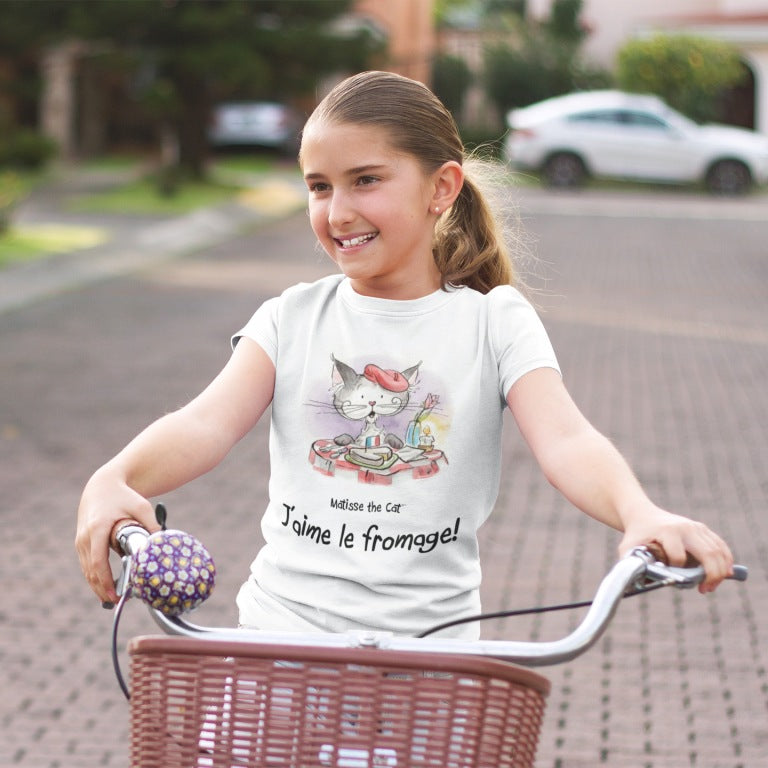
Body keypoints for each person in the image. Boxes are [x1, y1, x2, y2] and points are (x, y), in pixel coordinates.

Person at [76, 71, 733, 638]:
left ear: (441, 188)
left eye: (365, 180)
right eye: (319, 186)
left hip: (432, 656)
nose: (338, 210)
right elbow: (203, 424)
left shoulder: (494, 321)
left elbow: (567, 440)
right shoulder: (291, 317)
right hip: (279, 641)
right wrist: (117, 476)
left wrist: (639, 512)